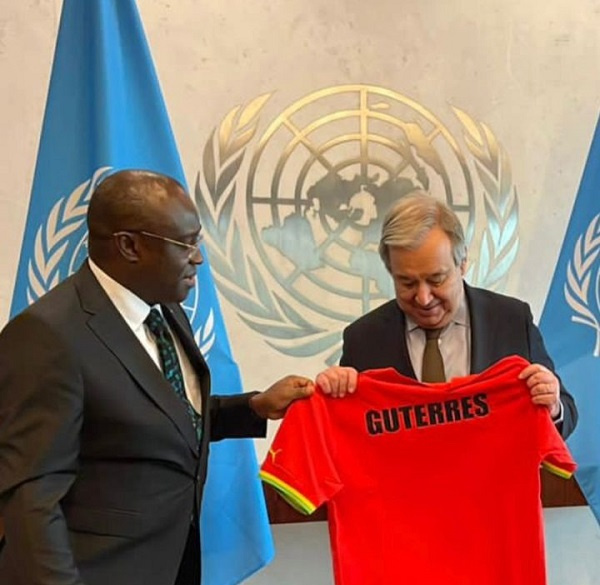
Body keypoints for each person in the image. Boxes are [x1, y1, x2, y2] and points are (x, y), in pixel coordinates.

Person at [0, 170, 326, 585]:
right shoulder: (47, 335)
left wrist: (253, 408)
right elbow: (32, 499)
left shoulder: (162, 307)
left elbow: (151, 414)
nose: (199, 259)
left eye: (198, 242)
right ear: (130, 246)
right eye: (185, 244)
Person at [318, 191, 577, 438]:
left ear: (462, 263)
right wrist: (333, 395)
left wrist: (553, 406)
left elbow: (565, 415)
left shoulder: (511, 320)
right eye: (407, 283)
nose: (423, 297)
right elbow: (347, 434)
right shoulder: (364, 339)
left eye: (436, 279)